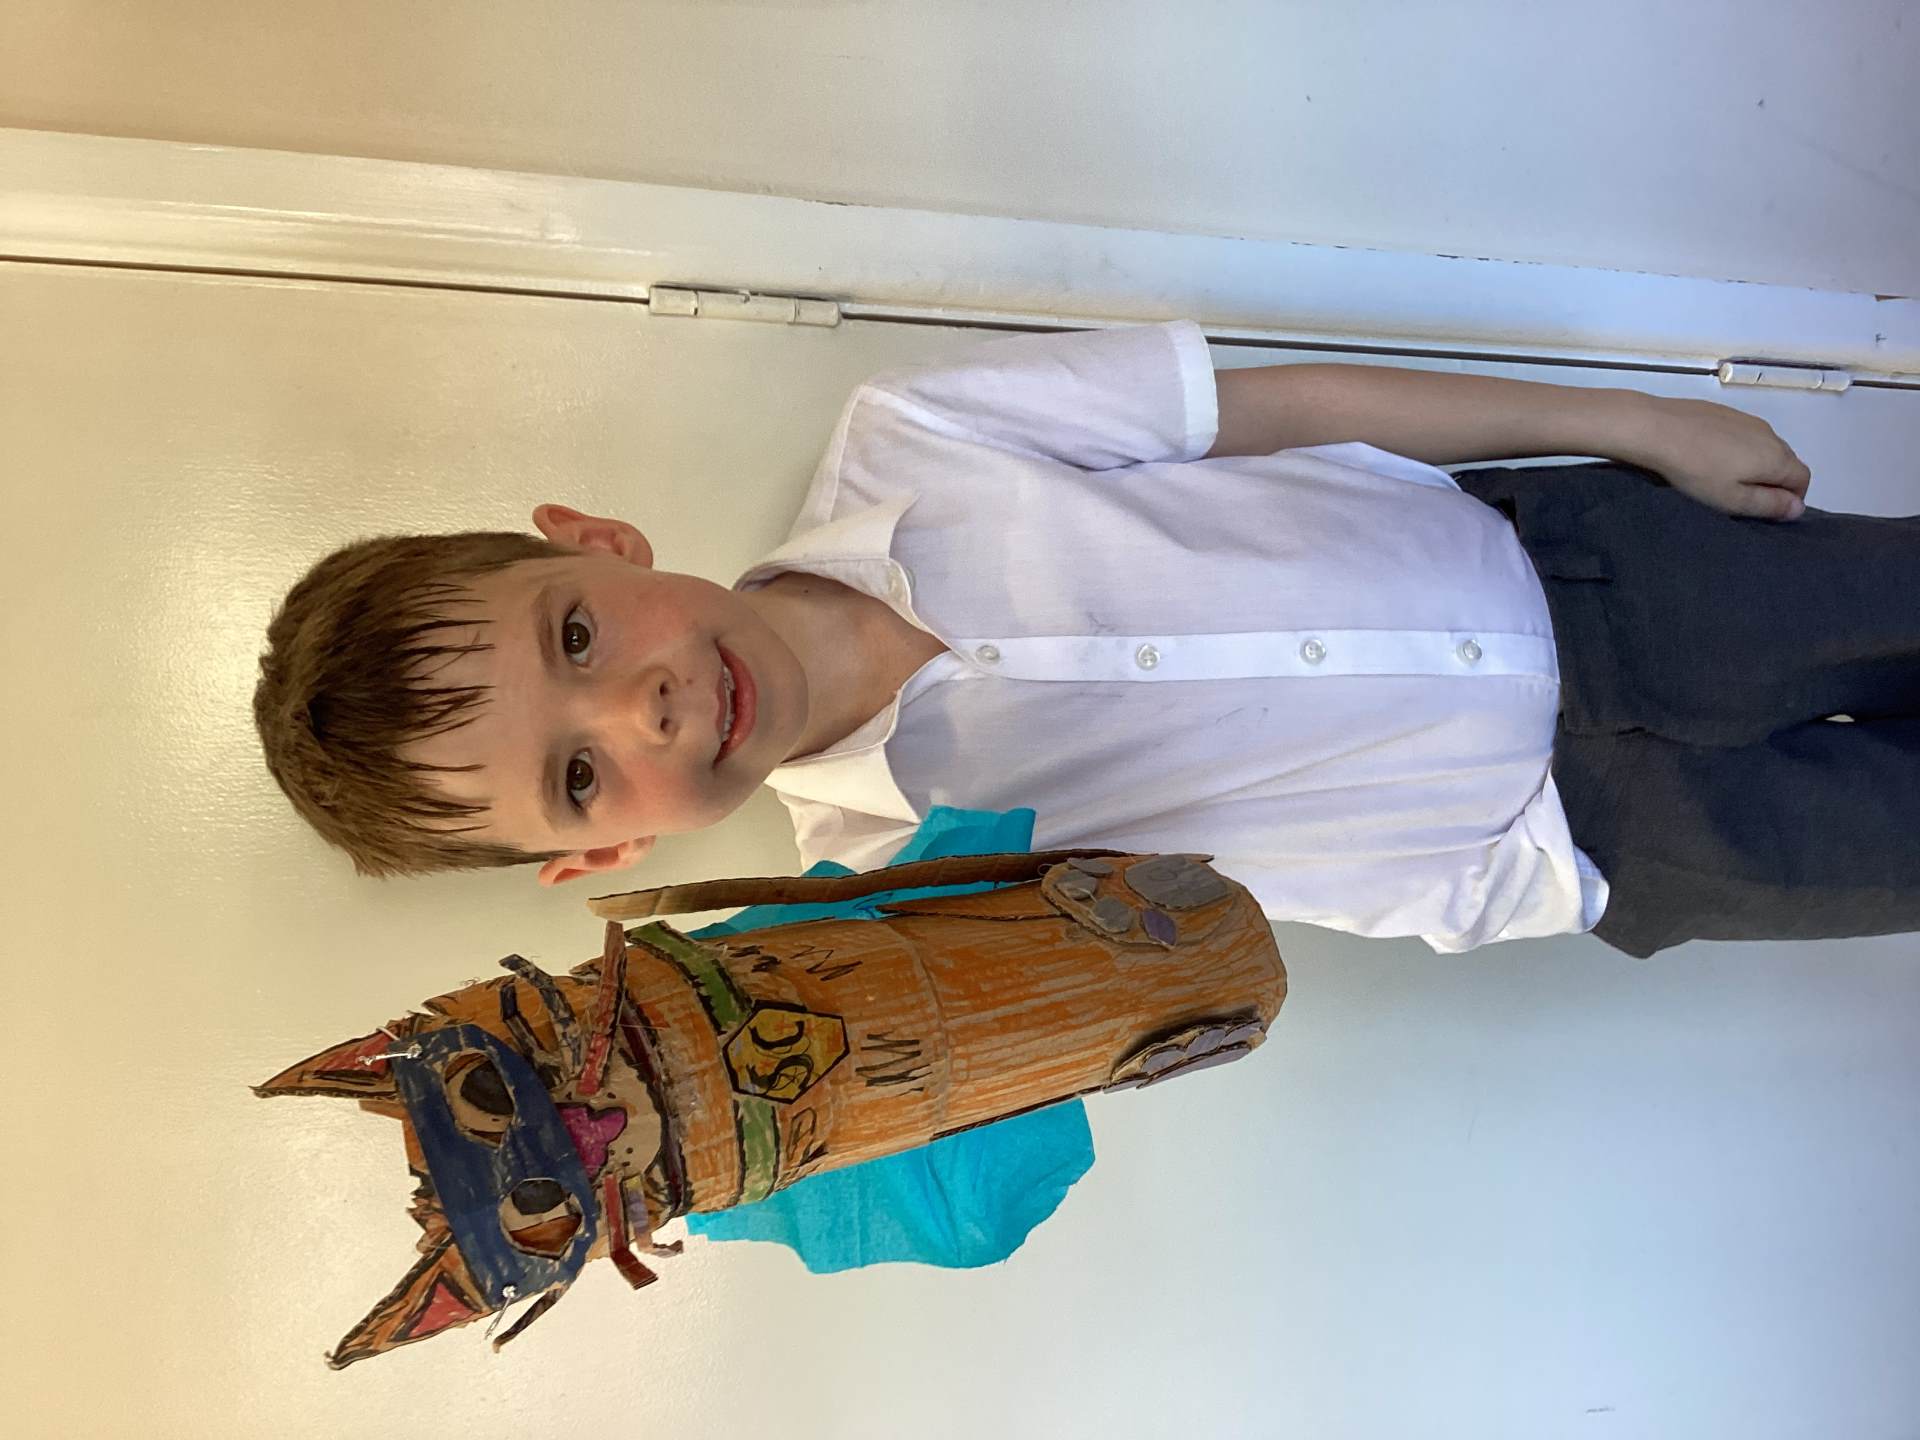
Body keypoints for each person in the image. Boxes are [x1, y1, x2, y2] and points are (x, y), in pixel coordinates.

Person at [255, 321, 1920, 957]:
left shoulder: (912, 435)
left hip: (1596, 574)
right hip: (1586, 843)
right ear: (603, 850)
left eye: (575, 634)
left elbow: (1290, 408)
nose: (646, 703)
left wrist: (1635, 422)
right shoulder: (885, 898)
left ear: (595, 544)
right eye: (578, 772)